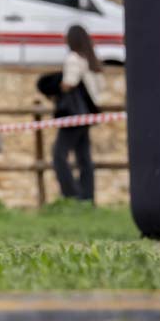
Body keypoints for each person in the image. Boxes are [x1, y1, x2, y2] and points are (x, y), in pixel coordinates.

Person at [53, 24, 104, 203]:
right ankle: (87, 197)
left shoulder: (74, 59)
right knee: (84, 157)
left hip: (74, 114)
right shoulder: (91, 59)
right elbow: (101, 87)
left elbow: (69, 83)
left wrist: (56, 88)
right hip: (88, 114)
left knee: (59, 155)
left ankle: (71, 194)